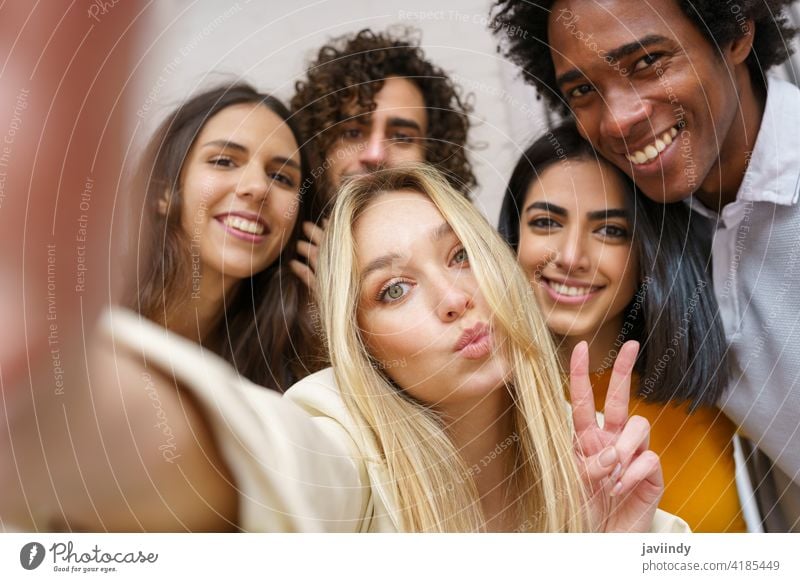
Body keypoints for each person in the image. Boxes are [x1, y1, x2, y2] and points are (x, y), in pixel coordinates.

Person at [1, 163, 689, 532]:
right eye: (393, 289)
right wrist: (42, 381)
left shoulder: (613, 494)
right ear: (363, 348)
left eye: (459, 256)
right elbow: (245, 457)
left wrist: (608, 554)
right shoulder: (340, 447)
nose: (454, 298)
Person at [492, 0, 800, 531]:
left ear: (736, 32)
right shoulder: (660, 213)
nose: (619, 119)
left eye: (647, 62)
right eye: (583, 90)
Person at [498, 124, 744, 531]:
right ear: (512, 240)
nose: (573, 256)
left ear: (649, 250)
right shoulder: (485, 407)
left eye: (610, 230)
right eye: (545, 222)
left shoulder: (714, 377)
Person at [131, 84, 323, 390]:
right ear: (163, 190)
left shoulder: (279, 375)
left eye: (281, 177)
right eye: (223, 161)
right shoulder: (78, 313)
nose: (258, 187)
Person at [288, 28, 476, 289]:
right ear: (317, 146)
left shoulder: (476, 264)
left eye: (401, 137)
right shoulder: (268, 269)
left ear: (434, 156)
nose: (374, 155)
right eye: (352, 133)